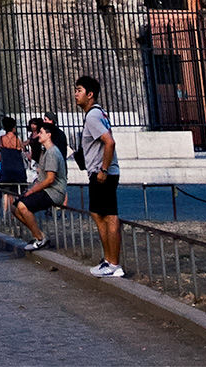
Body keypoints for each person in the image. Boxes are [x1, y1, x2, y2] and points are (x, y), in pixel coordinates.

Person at [75, 76, 124, 277]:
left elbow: (109, 142)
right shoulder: (98, 113)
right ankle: (108, 260)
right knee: (98, 213)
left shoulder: (93, 116)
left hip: (102, 173)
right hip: (101, 171)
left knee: (109, 216)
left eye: (79, 90)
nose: (75, 94)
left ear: (90, 94)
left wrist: (103, 170)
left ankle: (113, 264)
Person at [13, 117, 68, 251]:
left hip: (53, 192)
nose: (38, 135)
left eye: (41, 132)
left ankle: (40, 239)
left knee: (22, 206)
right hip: (45, 189)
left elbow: (50, 179)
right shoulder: (45, 151)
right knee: (14, 207)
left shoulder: (52, 153)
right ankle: (40, 235)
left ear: (48, 135)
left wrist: (32, 191)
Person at [0, 117, 27, 230]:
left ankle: (6, 214)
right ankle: (14, 215)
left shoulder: (2, 139)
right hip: (17, 166)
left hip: (6, 167)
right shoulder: (17, 139)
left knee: (6, 192)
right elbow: (21, 150)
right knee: (16, 192)